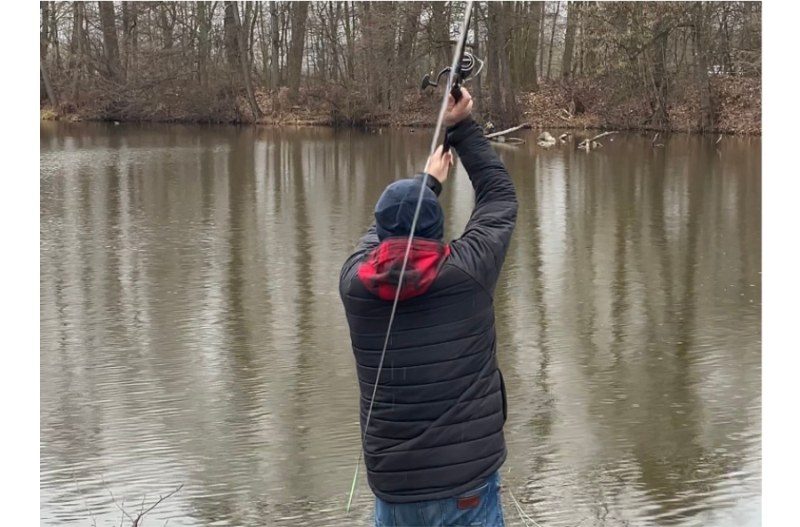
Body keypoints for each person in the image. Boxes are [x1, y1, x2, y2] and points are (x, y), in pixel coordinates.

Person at [339, 88, 517, 527]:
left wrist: (425, 185)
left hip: (394, 492)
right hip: (466, 488)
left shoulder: (355, 285)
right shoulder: (468, 272)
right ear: (437, 231)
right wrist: (463, 128)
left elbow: (379, 236)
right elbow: (498, 198)